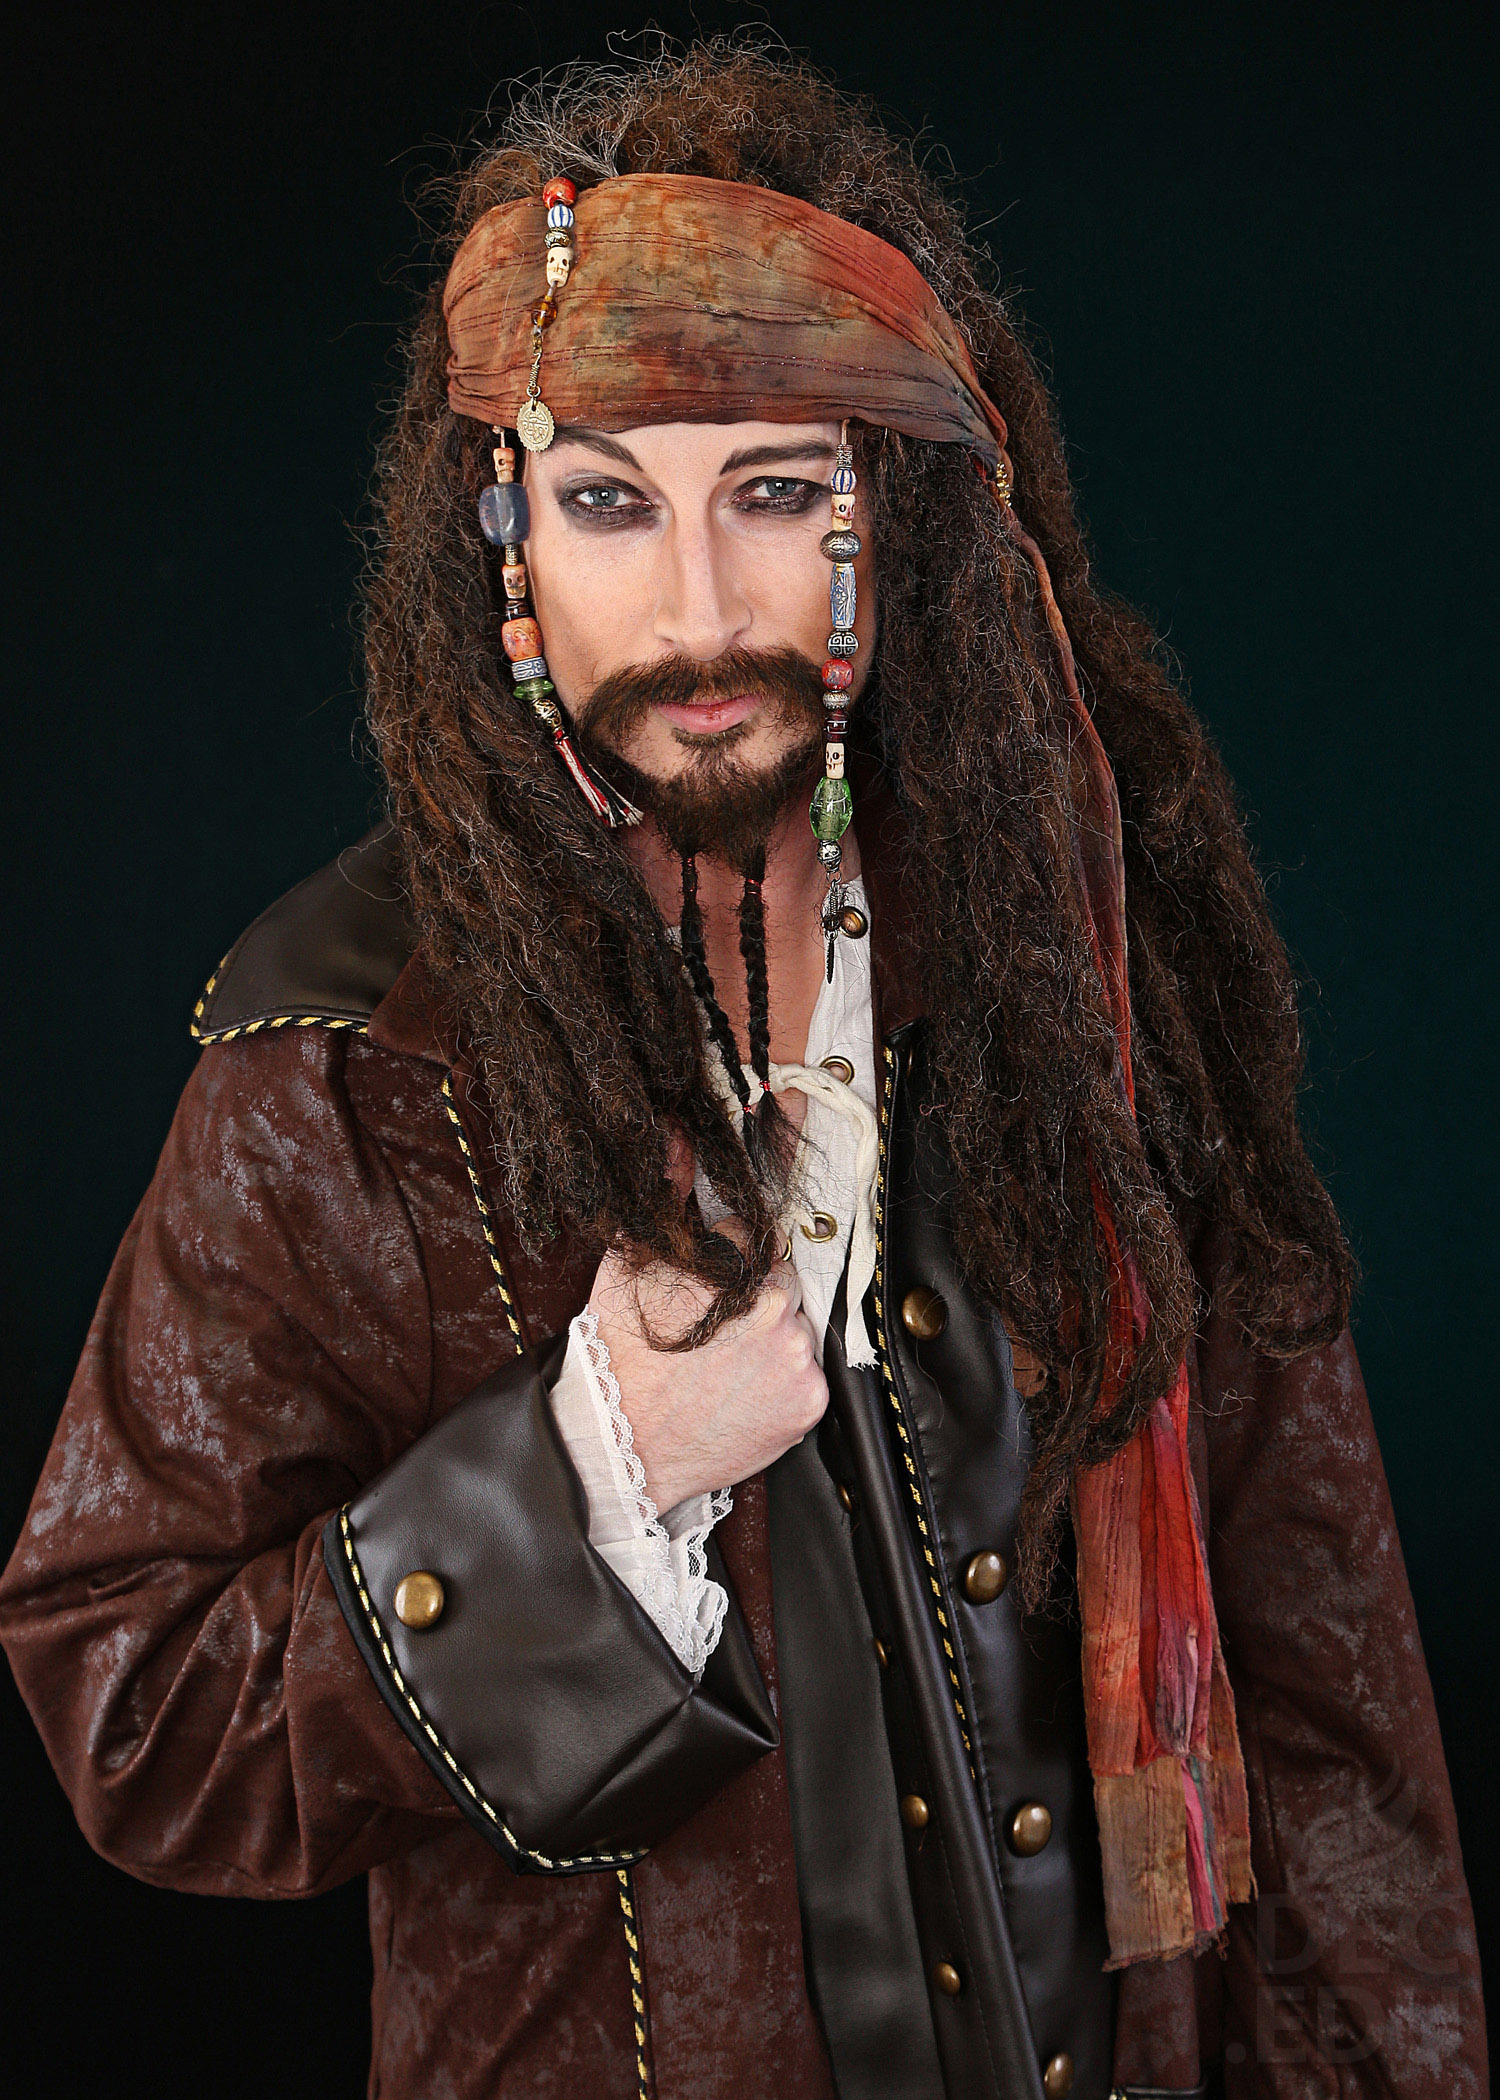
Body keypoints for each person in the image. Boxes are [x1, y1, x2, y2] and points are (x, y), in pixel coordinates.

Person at [0, 41, 1485, 2100]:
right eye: (610, 501)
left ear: (891, 509)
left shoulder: (1088, 974)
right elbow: (133, 1703)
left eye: (776, 493)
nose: (697, 612)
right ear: (504, 539)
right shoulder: (341, 1066)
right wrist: (590, 1471)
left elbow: (1329, 1715)